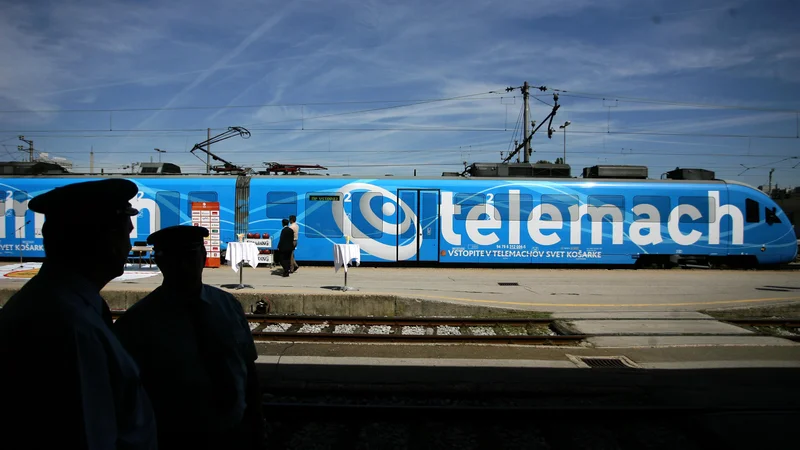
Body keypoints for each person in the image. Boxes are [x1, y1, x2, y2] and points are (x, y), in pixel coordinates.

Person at [0, 179, 158, 450]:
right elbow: (88, 433)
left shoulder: (71, 305)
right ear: (103, 239)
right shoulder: (68, 325)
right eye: (125, 234)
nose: (129, 246)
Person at [113, 225, 265, 450]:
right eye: (176, 257)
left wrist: (255, 422)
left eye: (191, 254)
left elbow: (247, 367)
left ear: (203, 257)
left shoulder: (229, 305)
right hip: (174, 436)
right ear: (161, 262)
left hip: (235, 431)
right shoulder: (138, 322)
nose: (185, 264)